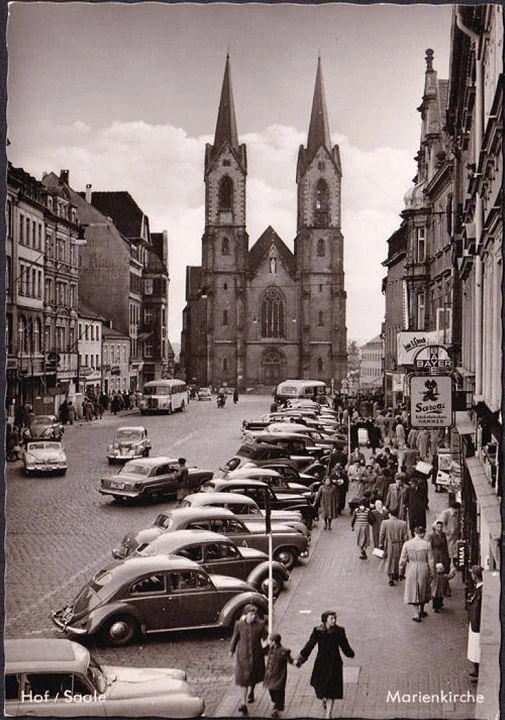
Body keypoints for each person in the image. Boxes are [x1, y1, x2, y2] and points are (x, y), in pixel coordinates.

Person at [295, 610, 355, 719]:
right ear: (325, 620)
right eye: (331, 618)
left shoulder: (339, 631)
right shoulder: (318, 631)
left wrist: (350, 653)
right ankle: (324, 698)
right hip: (321, 663)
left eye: (334, 618)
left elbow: (344, 645)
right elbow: (310, 645)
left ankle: (328, 714)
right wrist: (300, 659)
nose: (334, 621)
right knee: (320, 685)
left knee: (332, 690)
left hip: (334, 663)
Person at [230, 604, 268, 715]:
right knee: (243, 680)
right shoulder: (239, 625)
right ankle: (243, 704)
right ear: (245, 615)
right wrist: (231, 650)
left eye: (254, 615)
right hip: (243, 656)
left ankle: (251, 692)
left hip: (256, 655)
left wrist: (267, 647)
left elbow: (265, 638)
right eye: (251, 615)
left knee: (253, 676)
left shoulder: (260, 625)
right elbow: (235, 638)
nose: (253, 617)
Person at [399, 526, 435, 622]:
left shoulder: (407, 544)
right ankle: (422, 610)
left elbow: (402, 560)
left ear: (414, 533)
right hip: (424, 567)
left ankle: (416, 613)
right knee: (423, 589)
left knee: (414, 589)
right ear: (422, 534)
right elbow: (431, 560)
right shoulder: (427, 545)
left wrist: (400, 571)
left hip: (411, 567)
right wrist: (432, 572)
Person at [263, 633, 294, 718]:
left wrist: (296, 663)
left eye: (271, 641)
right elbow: (262, 651)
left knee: (279, 691)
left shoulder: (283, 651)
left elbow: (290, 660)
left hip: (279, 675)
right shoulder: (269, 649)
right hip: (270, 675)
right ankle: (275, 703)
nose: (270, 642)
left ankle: (276, 709)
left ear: (275, 642)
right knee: (271, 690)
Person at [379, 508, 408, 586]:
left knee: (389, 560)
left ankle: (390, 578)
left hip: (389, 544)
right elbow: (406, 536)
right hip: (400, 544)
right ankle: (398, 574)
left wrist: (381, 544)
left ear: (389, 514)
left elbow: (382, 534)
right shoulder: (403, 523)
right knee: (398, 559)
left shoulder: (385, 523)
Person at [467, 565, 484, 683]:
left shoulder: (480, 591)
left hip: (476, 624)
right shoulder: (478, 589)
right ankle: (476, 669)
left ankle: (478, 670)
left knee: (476, 648)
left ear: (475, 575)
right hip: (474, 623)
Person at [438, 502, 461, 566]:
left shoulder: (457, 513)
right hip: (447, 535)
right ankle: (446, 563)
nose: (457, 512)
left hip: (454, 535)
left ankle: (453, 562)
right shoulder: (445, 513)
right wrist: (447, 531)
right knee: (447, 550)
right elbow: (441, 524)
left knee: (453, 549)